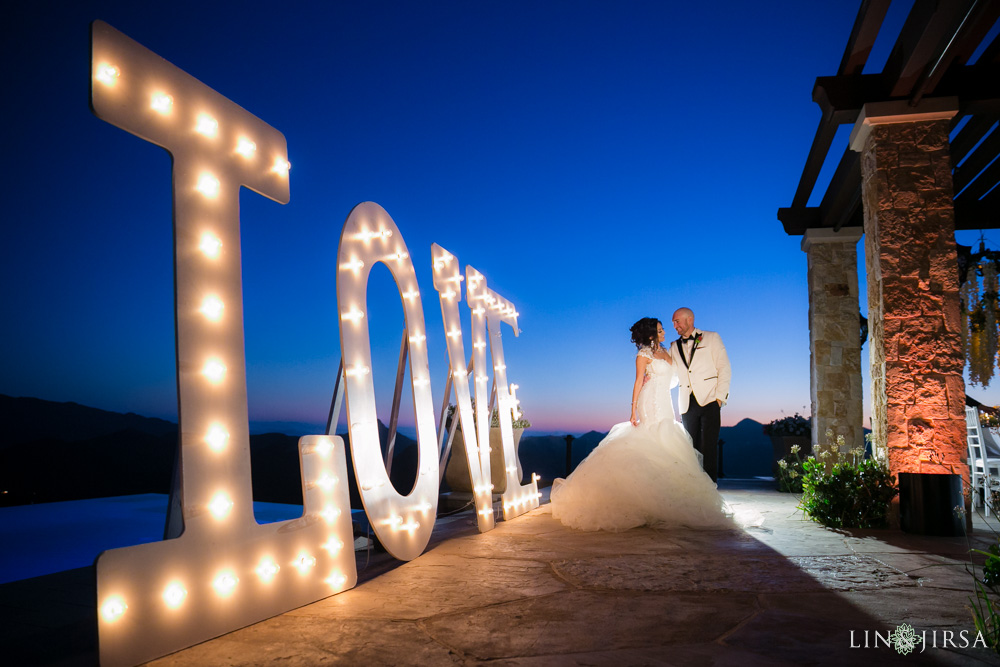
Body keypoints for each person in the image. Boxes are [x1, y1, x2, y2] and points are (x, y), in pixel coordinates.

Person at [549, 317, 733, 531]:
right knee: (652, 439)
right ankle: (645, 500)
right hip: (650, 401)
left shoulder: (669, 350)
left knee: (669, 441)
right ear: (650, 334)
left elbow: (679, 378)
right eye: (661, 329)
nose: (665, 332)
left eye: (664, 328)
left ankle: (664, 495)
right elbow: (638, 381)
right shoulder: (643, 354)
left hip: (666, 402)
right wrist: (633, 409)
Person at [669, 308, 730, 482]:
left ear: (690, 319)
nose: (674, 325)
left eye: (677, 321)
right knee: (690, 449)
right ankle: (693, 488)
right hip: (686, 403)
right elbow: (671, 373)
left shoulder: (711, 338)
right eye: (673, 322)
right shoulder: (674, 346)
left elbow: (724, 368)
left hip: (710, 399)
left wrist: (720, 398)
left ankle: (711, 490)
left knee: (709, 447)